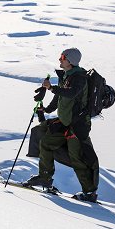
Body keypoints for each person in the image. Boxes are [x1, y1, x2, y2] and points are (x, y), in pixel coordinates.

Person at [23, 48, 100, 202]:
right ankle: (45, 178)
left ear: (70, 60)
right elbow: (59, 98)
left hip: (77, 125)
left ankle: (89, 193)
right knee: (45, 143)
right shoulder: (65, 76)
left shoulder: (79, 77)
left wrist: (50, 88)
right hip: (64, 122)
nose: (60, 60)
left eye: (62, 57)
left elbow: (71, 93)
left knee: (76, 157)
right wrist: (46, 109)